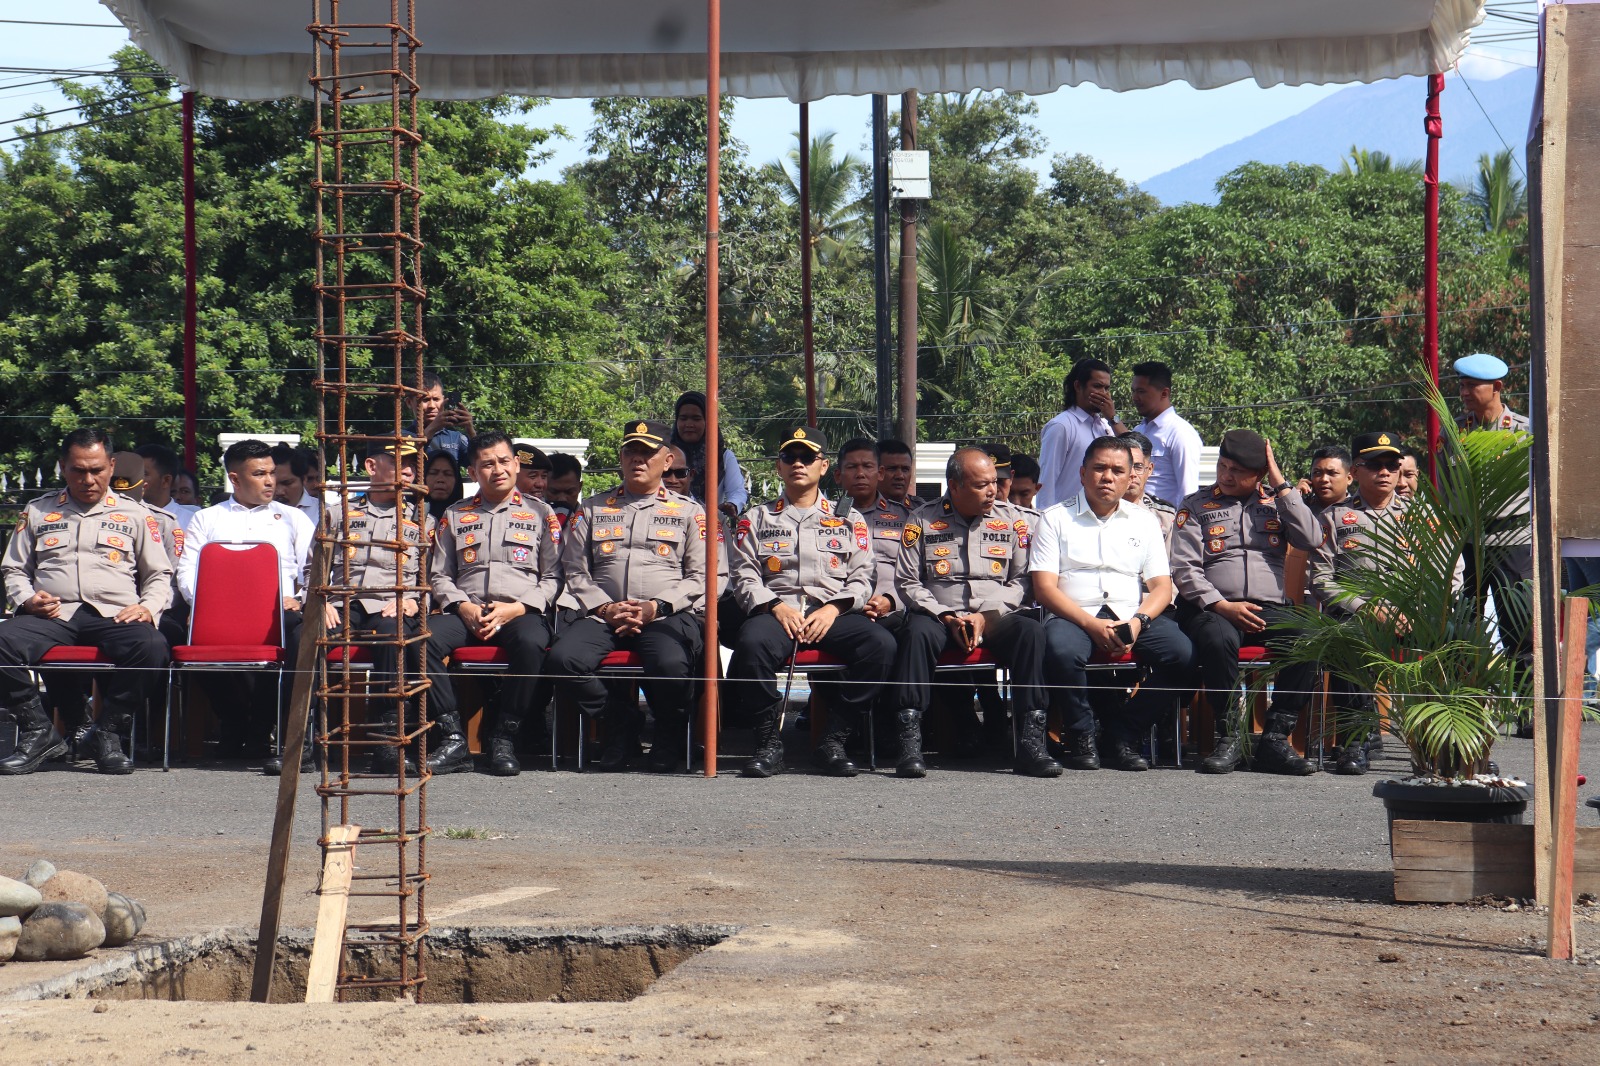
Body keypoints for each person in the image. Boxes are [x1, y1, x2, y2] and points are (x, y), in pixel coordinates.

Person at [0, 429, 173, 776]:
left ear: (111, 466)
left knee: (153, 646)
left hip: (113, 615)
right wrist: (28, 598)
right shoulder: (37, 510)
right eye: (78, 470)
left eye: (96, 470)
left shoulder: (136, 514)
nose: (88, 479)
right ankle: (38, 730)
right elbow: (13, 569)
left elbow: (158, 574)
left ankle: (107, 733)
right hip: (53, 615)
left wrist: (147, 608)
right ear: (63, 467)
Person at [729, 426, 894, 778]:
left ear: (822, 467)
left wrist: (834, 609)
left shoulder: (849, 517)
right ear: (779, 466)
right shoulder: (756, 518)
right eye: (790, 457)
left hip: (831, 613)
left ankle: (833, 739)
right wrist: (775, 606)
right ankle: (767, 742)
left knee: (880, 645)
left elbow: (863, 575)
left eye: (807, 457)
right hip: (776, 611)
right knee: (751, 643)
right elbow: (743, 576)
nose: (798, 464)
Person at [548, 419, 710, 773]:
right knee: (563, 659)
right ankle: (619, 723)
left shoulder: (689, 512)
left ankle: (668, 736)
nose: (638, 459)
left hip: (665, 614)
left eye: (648, 453)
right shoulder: (591, 508)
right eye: (631, 452)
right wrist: (605, 607)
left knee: (671, 664)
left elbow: (701, 577)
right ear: (620, 458)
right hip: (602, 613)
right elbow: (574, 570)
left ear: (667, 460)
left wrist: (657, 606)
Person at [890, 447, 1062, 779]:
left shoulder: (1013, 521)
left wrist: (986, 615)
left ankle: (1030, 743)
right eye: (982, 485)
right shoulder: (922, 519)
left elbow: (1023, 580)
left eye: (994, 483)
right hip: (941, 616)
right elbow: (908, 581)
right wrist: (945, 616)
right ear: (954, 487)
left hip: (995, 616)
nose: (993, 491)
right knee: (917, 633)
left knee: (1031, 634)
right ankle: (910, 743)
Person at [1033, 436, 1191, 772]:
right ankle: (1081, 734)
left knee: (1183, 654)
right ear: (1082, 473)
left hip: (1130, 614)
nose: (1108, 477)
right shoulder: (1054, 518)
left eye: (1117, 470)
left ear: (1130, 476)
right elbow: (1045, 588)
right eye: (1099, 468)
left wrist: (1138, 623)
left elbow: (1162, 587)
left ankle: (1123, 733)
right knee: (1060, 651)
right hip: (1074, 614)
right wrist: (1090, 624)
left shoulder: (1144, 520)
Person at [1171, 429, 1321, 775]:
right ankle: (1230, 735)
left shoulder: (1277, 503)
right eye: (1223, 466)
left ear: (1259, 476)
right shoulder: (1195, 505)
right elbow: (1185, 568)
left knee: (1310, 637)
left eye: (1238, 471)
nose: (1226, 475)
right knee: (1217, 637)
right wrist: (1222, 605)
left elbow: (1311, 537)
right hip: (1212, 607)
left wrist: (1282, 485)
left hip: (1269, 608)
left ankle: (1274, 739)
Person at [426, 431, 559, 777]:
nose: (497, 469)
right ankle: (453, 736)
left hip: (518, 612)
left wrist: (518, 608)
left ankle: (504, 737)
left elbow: (555, 577)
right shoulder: (455, 515)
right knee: (419, 638)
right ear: (473, 472)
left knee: (532, 642)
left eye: (503, 461)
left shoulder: (542, 514)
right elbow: (439, 575)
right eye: (487, 464)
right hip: (468, 612)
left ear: (516, 464)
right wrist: (462, 607)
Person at [180, 438, 317, 774]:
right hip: (221, 615)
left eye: (271, 473)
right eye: (259, 474)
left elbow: (314, 572)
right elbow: (188, 571)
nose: (270, 481)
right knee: (191, 640)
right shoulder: (206, 519)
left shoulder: (293, 519)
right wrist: (207, 605)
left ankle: (265, 730)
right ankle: (235, 720)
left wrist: (300, 598)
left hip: (279, 613)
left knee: (295, 638)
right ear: (235, 478)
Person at [331, 443, 440, 774]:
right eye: (399, 462)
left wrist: (413, 601)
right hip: (342, 602)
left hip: (391, 605)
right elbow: (313, 569)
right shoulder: (337, 514)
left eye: (412, 465)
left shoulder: (423, 521)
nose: (408, 471)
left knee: (394, 636)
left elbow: (430, 578)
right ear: (371, 466)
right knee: (302, 634)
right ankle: (303, 742)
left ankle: (386, 741)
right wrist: (318, 601)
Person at [1309, 431, 1412, 776]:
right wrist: (1368, 608)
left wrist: (1415, 612)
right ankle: (1356, 737)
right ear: (1357, 470)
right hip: (1359, 616)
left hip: (1414, 620)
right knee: (1347, 640)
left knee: (1465, 640)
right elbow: (1322, 580)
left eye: (1392, 464)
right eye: (1375, 464)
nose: (1385, 471)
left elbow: (1451, 574)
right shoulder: (1336, 518)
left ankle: (1458, 741)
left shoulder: (1420, 516)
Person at [1454, 352, 1534, 673]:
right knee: (1461, 629)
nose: (1463, 393)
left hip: (1511, 540)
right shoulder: (1454, 432)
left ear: (1497, 387)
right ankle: (1470, 713)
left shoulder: (1524, 432)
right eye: (1461, 385)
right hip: (1467, 541)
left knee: (1518, 628)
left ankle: (1528, 719)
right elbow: (1447, 489)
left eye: (1471, 386)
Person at [1036, 359, 1126, 509]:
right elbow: (1047, 480)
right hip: (1067, 520)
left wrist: (1113, 418)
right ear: (1078, 386)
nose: (1103, 394)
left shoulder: (1106, 426)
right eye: (1097, 386)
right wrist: (1044, 520)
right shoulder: (1061, 426)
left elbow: (1133, 451)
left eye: (1106, 388)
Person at [1130, 360, 1203, 505]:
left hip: (1166, 523)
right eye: (1133, 391)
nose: (1135, 397)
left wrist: (1182, 525)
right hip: (1135, 519)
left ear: (1164, 393)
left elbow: (1188, 491)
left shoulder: (1180, 433)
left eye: (1141, 392)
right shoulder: (1139, 430)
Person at [671, 390, 748, 520]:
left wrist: (732, 504)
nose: (689, 424)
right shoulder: (665, 456)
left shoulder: (723, 457)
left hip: (711, 528)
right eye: (683, 418)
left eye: (696, 418)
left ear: (709, 421)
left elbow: (737, 491)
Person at [409, 370, 475, 466]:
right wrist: (432, 428)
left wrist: (471, 430)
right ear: (409, 403)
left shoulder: (456, 438)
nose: (432, 405)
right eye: (425, 400)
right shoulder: (400, 436)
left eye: (436, 399)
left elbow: (480, 463)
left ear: (444, 400)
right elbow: (403, 462)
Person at [1120, 430, 1175, 543]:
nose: (1132, 474)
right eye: (1126, 466)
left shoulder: (1165, 517)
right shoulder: (1099, 511)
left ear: (1149, 470)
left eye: (1138, 467)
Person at [135, 442, 198, 528]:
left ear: (166, 480)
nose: (135, 478)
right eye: (133, 473)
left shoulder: (192, 522)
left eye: (144, 474)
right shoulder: (122, 515)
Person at [271, 443, 322, 529]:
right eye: (272, 485)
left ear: (304, 479)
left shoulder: (323, 512)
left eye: (287, 483)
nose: (279, 492)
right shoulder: (251, 513)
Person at [1298, 445, 1355, 517]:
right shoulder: (1302, 509)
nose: (1324, 479)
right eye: (1317, 473)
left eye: (1332, 473)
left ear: (1349, 479)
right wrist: (1294, 498)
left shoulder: (1362, 510)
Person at [424, 451, 464, 523]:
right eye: (433, 473)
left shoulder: (467, 517)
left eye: (448, 474)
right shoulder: (406, 515)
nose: (440, 479)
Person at [877, 439, 919, 507]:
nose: (900, 476)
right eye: (892, 469)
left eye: (905, 469)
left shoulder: (923, 512)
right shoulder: (856, 513)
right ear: (878, 472)